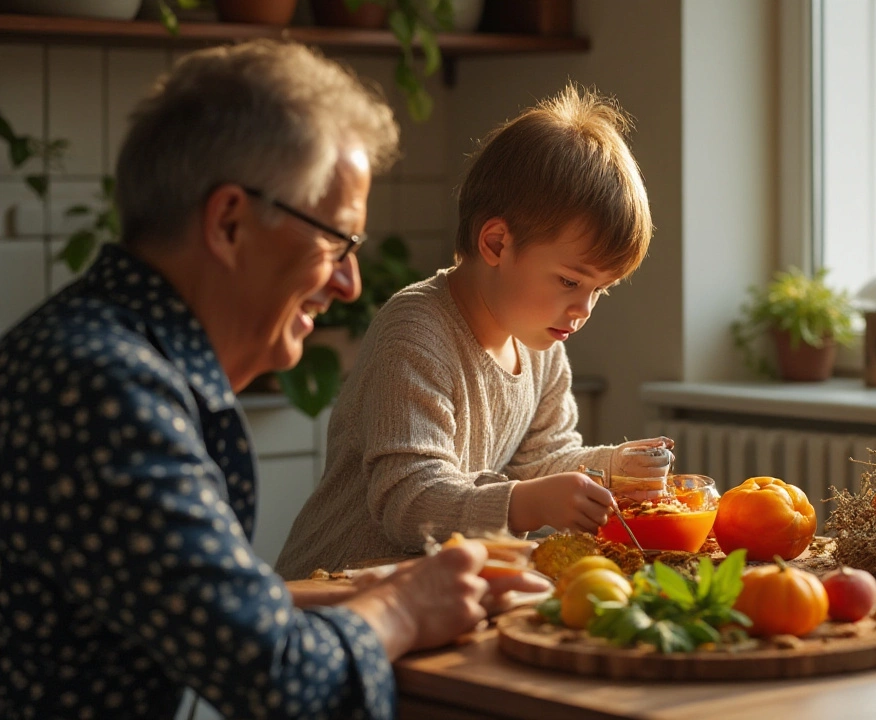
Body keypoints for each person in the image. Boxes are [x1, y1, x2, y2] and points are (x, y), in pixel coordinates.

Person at [0, 40, 546, 720]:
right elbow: (283, 684)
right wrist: (405, 606)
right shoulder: (107, 388)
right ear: (230, 223)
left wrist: (386, 585)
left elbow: (212, 608)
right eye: (335, 242)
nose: (349, 284)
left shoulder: (109, 359)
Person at [275, 84, 671, 580]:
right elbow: (410, 501)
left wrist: (612, 468)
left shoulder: (540, 344)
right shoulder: (416, 332)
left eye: (600, 290)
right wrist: (529, 504)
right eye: (571, 281)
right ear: (497, 242)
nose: (584, 309)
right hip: (335, 589)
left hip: (430, 593)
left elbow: (542, 462)